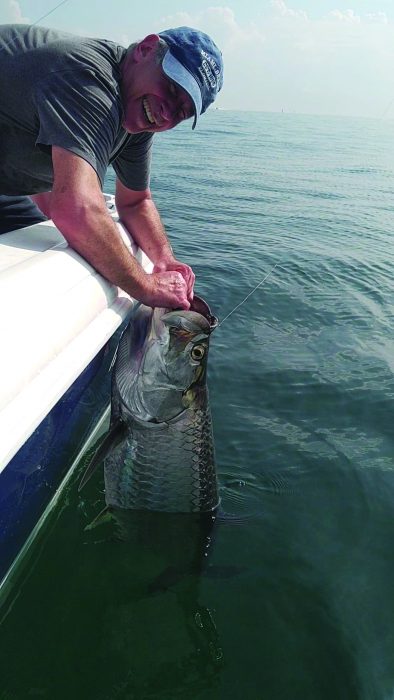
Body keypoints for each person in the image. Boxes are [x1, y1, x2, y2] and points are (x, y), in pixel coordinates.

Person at [0, 24, 223, 310]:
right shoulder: (89, 80)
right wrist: (146, 285)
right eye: (169, 87)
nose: (166, 113)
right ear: (146, 49)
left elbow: (136, 202)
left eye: (181, 111)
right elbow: (75, 208)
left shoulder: (138, 117)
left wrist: (165, 259)